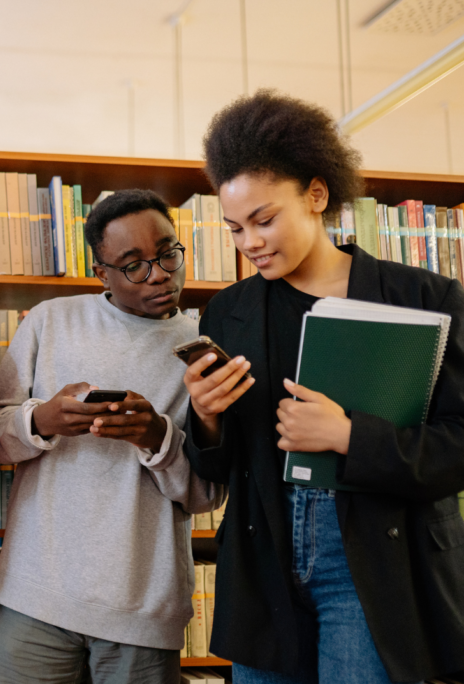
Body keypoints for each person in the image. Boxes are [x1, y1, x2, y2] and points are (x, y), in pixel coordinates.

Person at [182, 90, 464, 684]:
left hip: (375, 562)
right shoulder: (228, 312)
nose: (250, 243)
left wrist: (349, 437)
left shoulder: (424, 298)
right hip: (263, 563)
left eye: (264, 220)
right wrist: (205, 417)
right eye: (234, 228)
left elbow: (458, 445)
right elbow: (216, 467)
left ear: (316, 194)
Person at [0, 189, 227, 684]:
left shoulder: (204, 350)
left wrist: (158, 438)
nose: (158, 274)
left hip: (143, 608)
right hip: (35, 594)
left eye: (168, 254)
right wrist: (42, 421)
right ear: (102, 273)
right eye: (133, 265)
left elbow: (207, 495)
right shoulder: (50, 320)